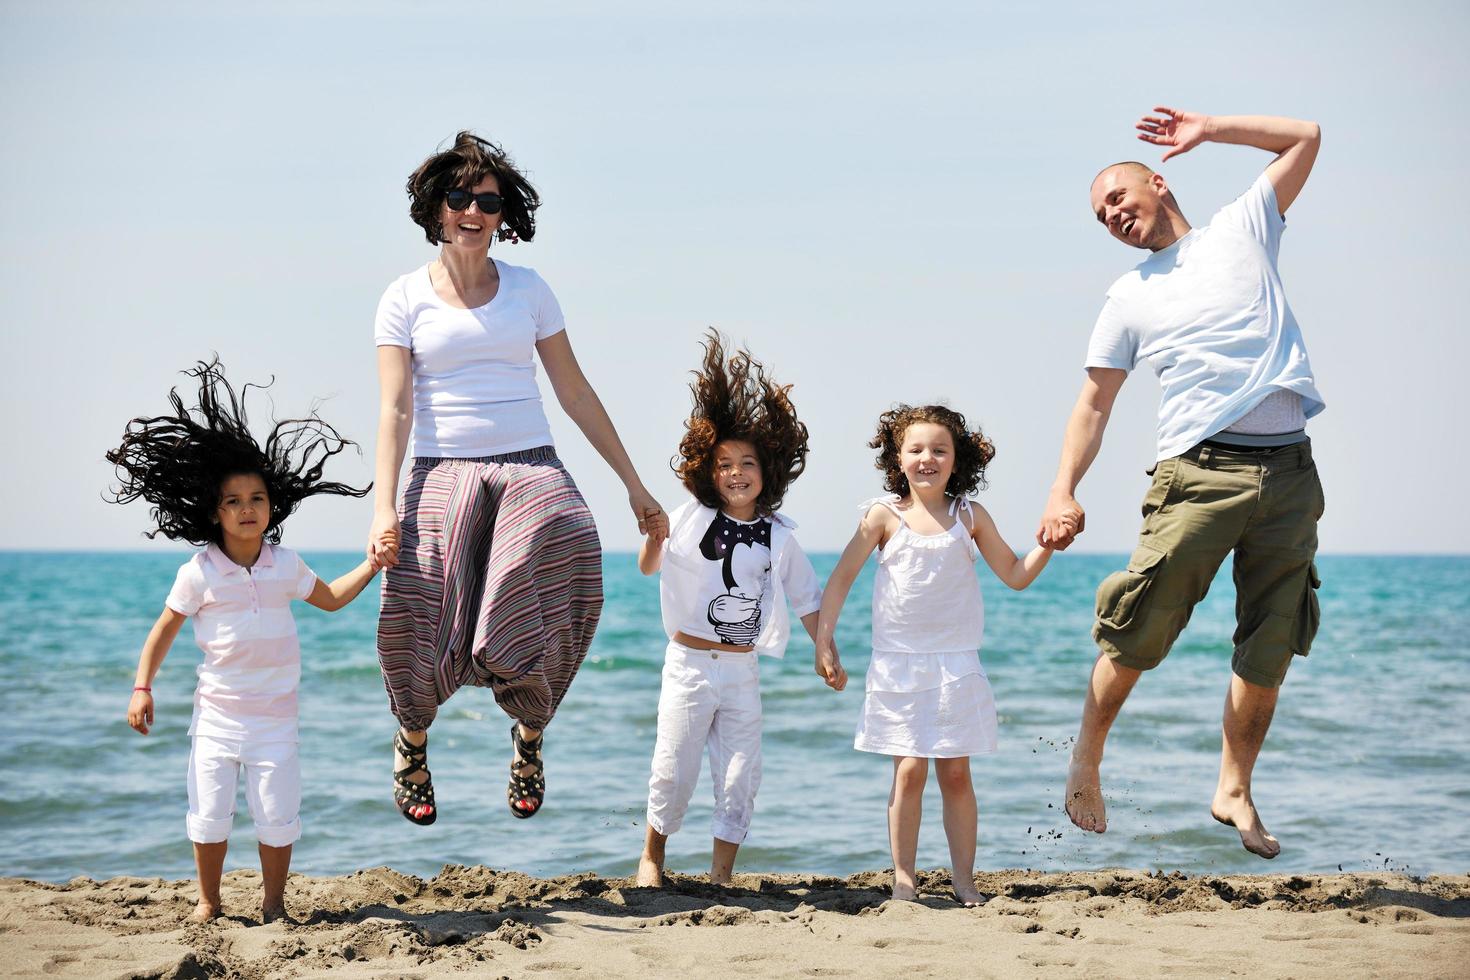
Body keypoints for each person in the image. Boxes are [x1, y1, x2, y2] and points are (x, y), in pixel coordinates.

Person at [1038, 107, 1326, 859]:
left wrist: (1210, 127)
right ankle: (1086, 762)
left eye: (1118, 200)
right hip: (1198, 472)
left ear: (1158, 183)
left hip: (1291, 468)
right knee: (1138, 627)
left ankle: (1233, 785)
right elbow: (1094, 402)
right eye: (1102, 217)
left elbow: (1305, 137)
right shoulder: (1129, 296)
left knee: (1274, 640)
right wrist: (1063, 488)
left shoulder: (1243, 227)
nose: (1113, 217)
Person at [370, 132, 668, 826]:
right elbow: (394, 405)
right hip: (440, 469)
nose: (472, 211)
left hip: (530, 461)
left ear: (505, 213)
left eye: (488, 201)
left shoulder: (530, 290)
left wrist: (634, 483)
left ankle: (529, 734)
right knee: (414, 611)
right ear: (435, 208)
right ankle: (412, 742)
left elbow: (575, 392)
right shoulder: (404, 297)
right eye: (459, 198)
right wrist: (382, 505)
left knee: (569, 539)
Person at [109, 359, 383, 923]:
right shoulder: (199, 571)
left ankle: (273, 904)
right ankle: (208, 902)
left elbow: (329, 597)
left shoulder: (284, 565)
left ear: (271, 506)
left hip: (276, 717)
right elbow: (163, 630)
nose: (246, 509)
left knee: (278, 816)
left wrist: (374, 564)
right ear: (214, 512)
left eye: (256, 499)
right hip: (217, 715)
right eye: (233, 501)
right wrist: (142, 687)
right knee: (209, 815)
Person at [817, 405, 1058, 905]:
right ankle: (904, 876)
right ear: (898, 457)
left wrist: (1050, 545)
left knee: (955, 772)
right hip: (899, 664)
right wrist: (825, 639)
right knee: (909, 769)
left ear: (956, 459)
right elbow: (840, 580)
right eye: (916, 449)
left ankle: (963, 879)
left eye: (939, 450)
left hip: (956, 665)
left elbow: (1014, 574)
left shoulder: (969, 516)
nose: (928, 458)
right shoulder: (883, 516)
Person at [634, 332, 838, 888]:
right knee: (674, 769)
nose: (736, 472)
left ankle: (722, 875)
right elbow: (650, 566)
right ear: (708, 470)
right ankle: (653, 858)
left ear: (768, 471)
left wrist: (826, 650)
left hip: (742, 668)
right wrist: (653, 537)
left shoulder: (779, 537)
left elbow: (807, 600)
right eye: (724, 464)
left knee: (742, 774)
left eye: (748, 462)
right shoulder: (689, 516)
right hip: (689, 664)